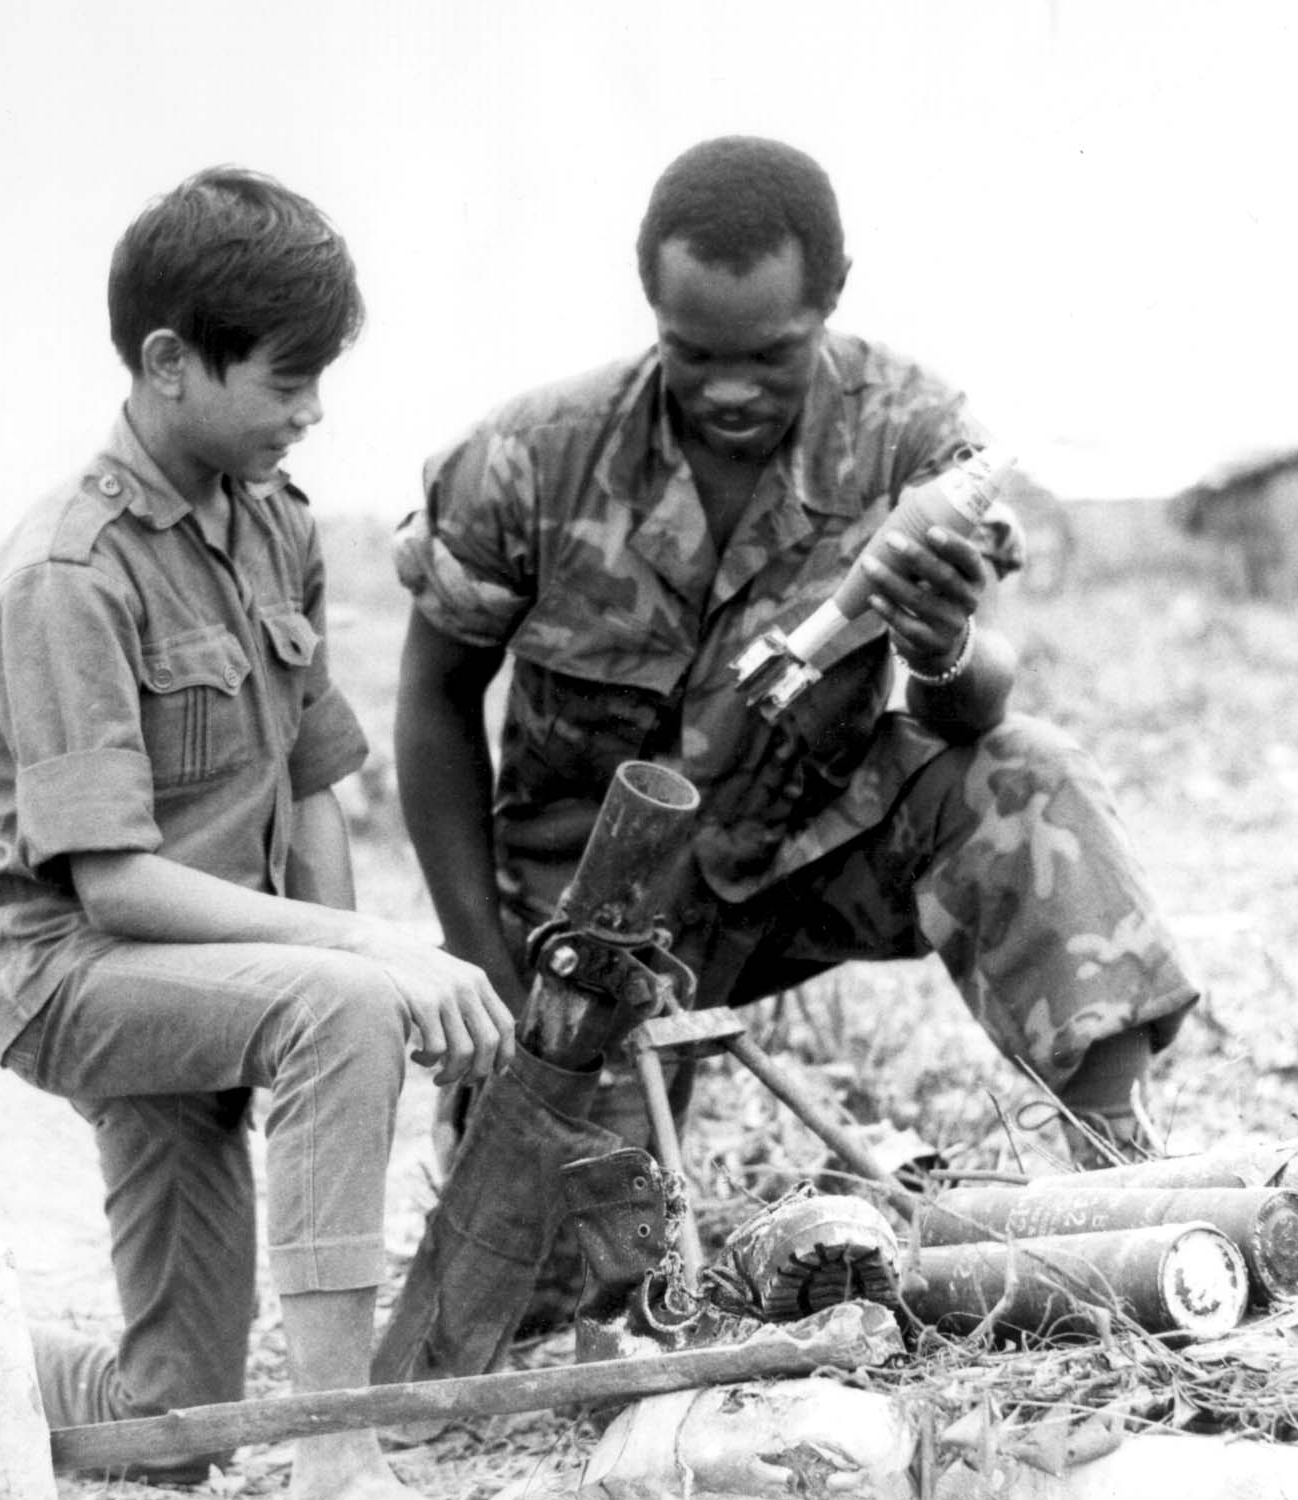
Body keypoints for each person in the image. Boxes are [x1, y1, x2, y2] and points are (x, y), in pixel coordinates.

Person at [0, 167, 514, 1500]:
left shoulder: (271, 517)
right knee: (344, 1007)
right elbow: (115, 889)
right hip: (78, 974)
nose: (313, 410)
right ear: (170, 363)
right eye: (288, 378)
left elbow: (310, 776)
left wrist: (322, 962)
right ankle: (336, 1475)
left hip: (217, 972)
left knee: (180, 1419)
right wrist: (351, 973)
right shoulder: (65, 574)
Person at [393, 135, 1196, 1176]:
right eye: (694, 354)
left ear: (834, 296)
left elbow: (973, 709)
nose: (730, 391)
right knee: (547, 1265)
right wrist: (488, 968)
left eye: (770, 356)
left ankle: (1117, 1169)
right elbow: (433, 700)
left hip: (800, 863)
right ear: (652, 307)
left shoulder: (913, 435)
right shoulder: (531, 457)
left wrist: (943, 643)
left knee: (1026, 773)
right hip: (591, 916)